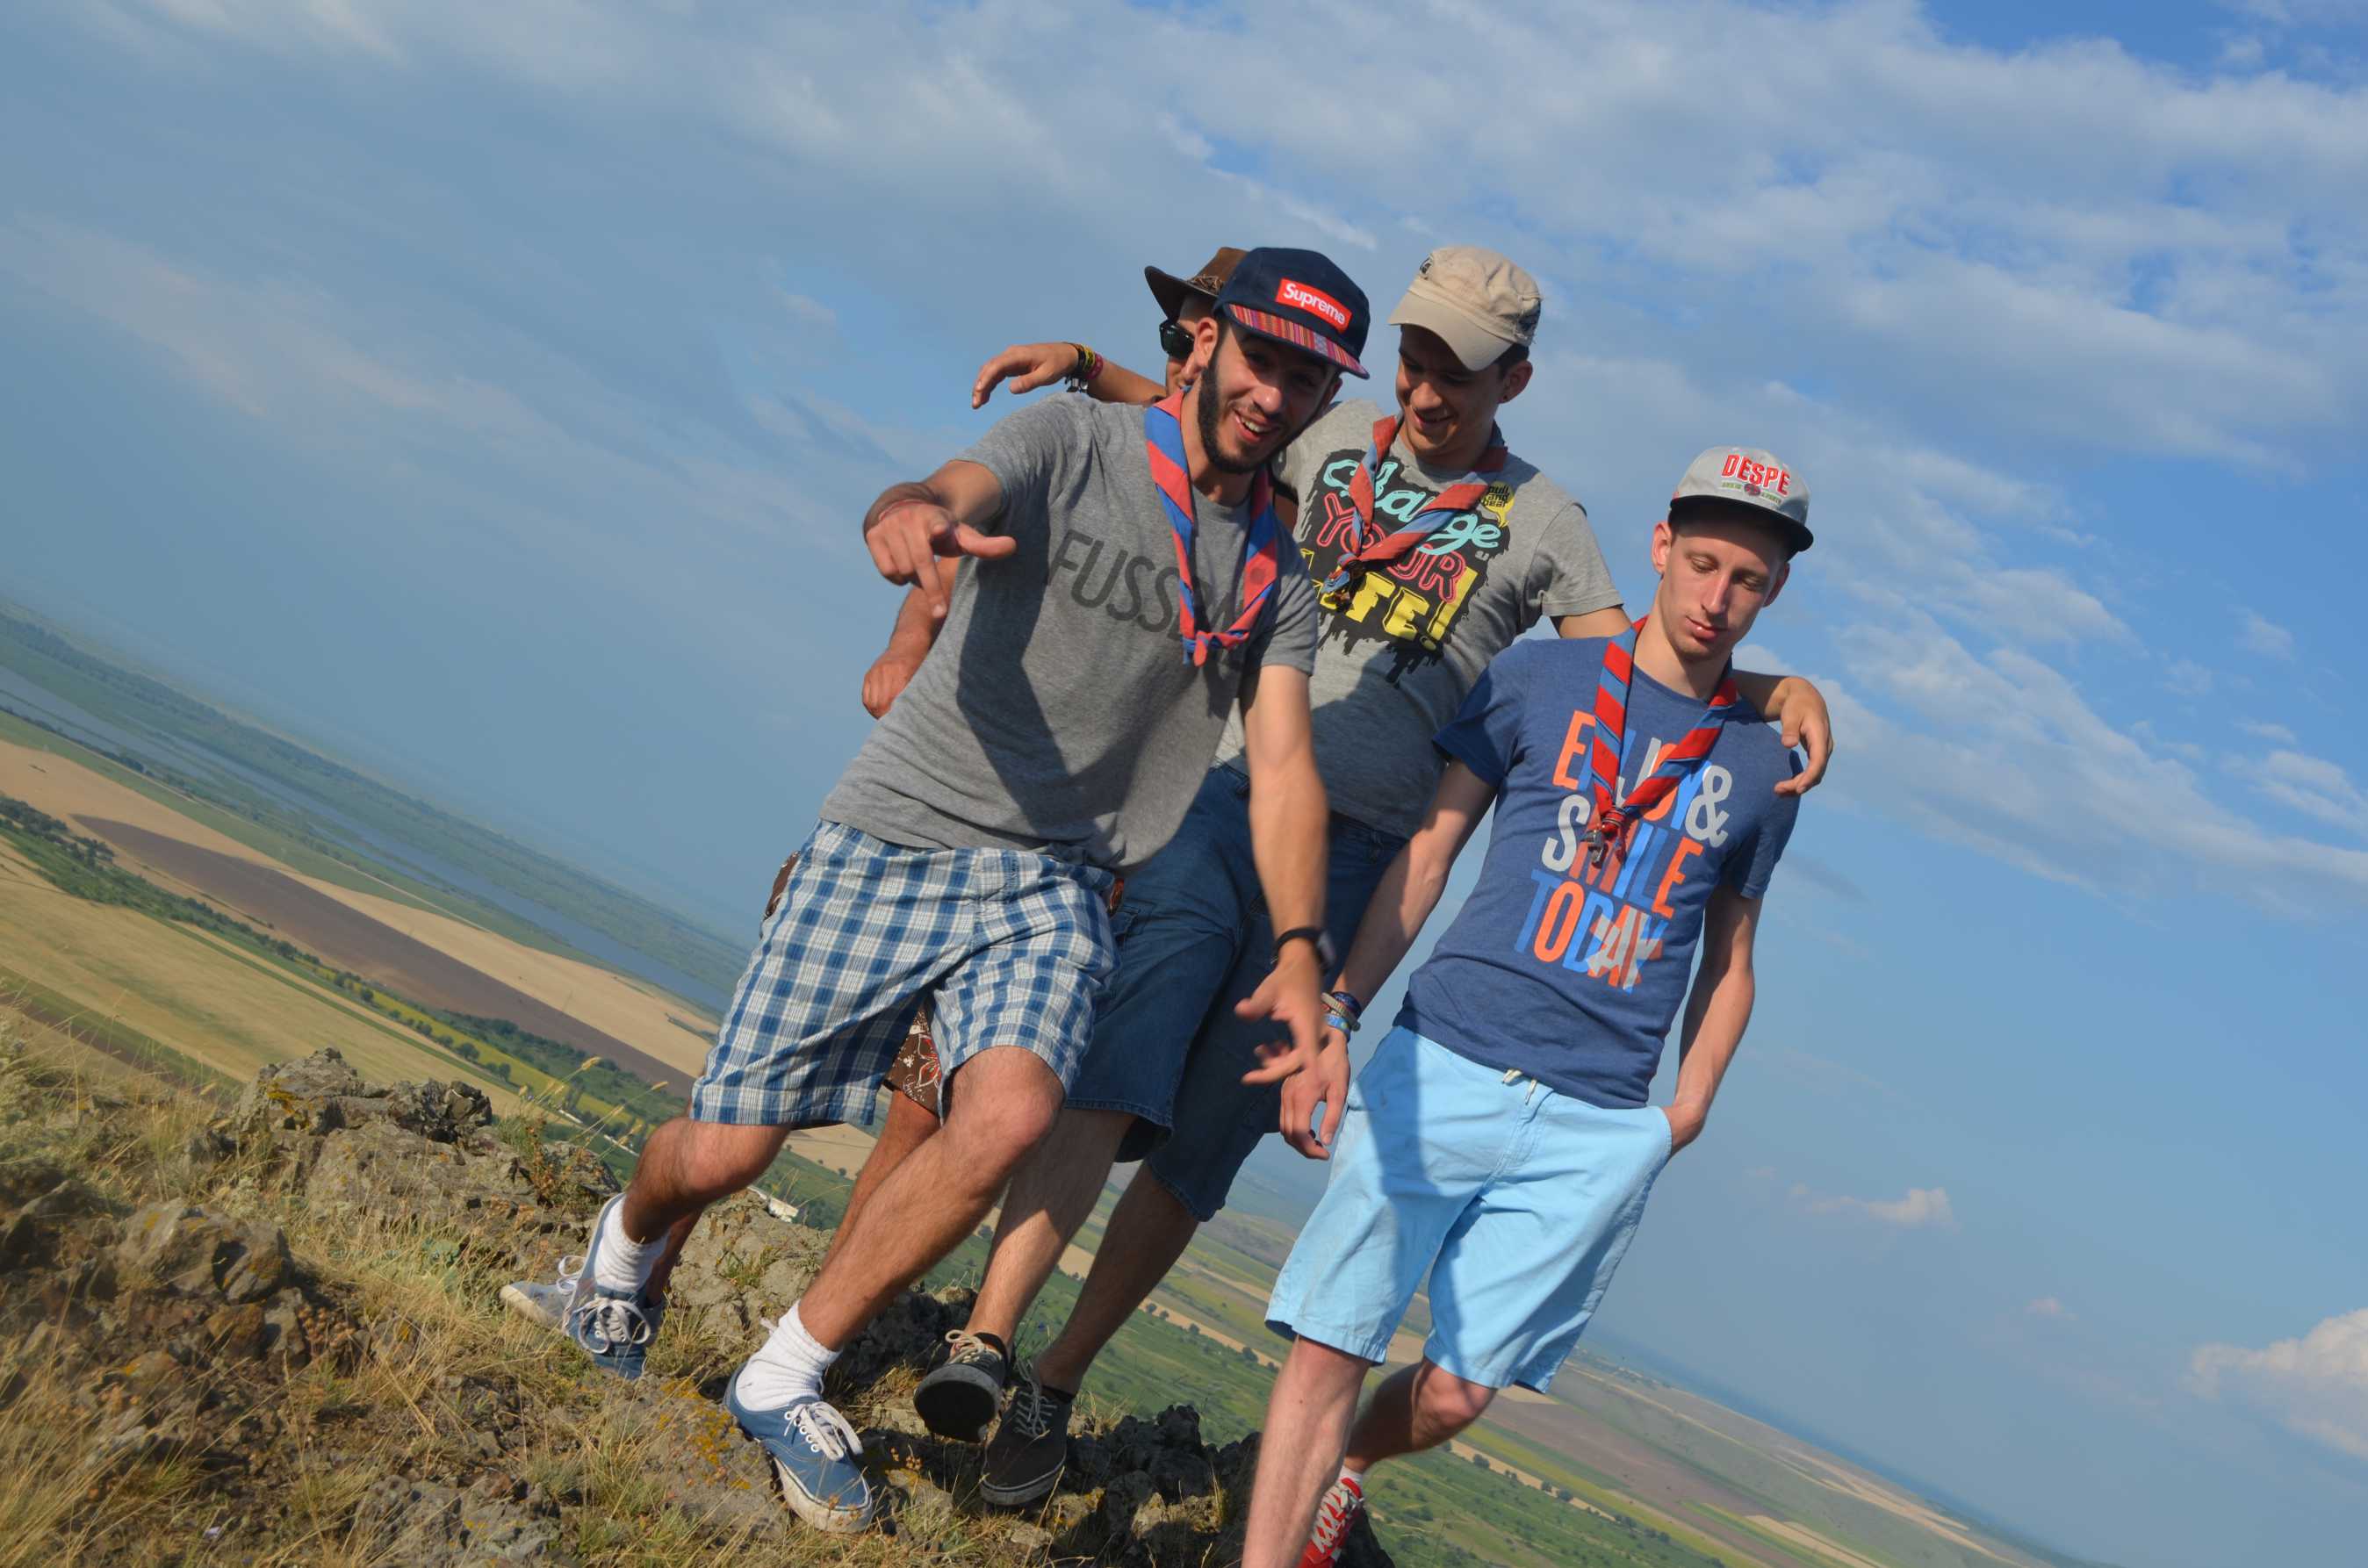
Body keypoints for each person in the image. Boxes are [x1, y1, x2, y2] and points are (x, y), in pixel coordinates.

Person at [910, 248, 1835, 1510]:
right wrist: (1085, 365)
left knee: (1206, 1140)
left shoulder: (1545, 522)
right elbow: (1205, 437)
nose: (1425, 389)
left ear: (1514, 379)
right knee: (1117, 1068)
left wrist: (1775, 686)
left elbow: (1640, 664)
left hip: (1358, 862)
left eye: (1457, 371)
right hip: (1221, 790)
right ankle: (987, 1335)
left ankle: (1053, 1385)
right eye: (1413, 358)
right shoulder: (1334, 432)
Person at [515, 247, 1369, 1536]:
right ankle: (619, 1254)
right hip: (903, 827)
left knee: (1011, 1113)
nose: (1275, 393)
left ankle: (783, 1374)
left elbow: (1288, 768)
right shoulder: (1073, 441)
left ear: (1323, 399)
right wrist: (906, 508)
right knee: (727, 1150)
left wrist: (1302, 948)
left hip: (1059, 878)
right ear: (1207, 342)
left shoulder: (1276, 578)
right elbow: (952, 486)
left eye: (1306, 379)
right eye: (1262, 357)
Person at [1242, 446, 1814, 1568]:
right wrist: (1341, 1013)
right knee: (1330, 1343)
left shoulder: (1765, 766)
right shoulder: (1537, 678)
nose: (1717, 597)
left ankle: (1345, 1470)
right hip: (1447, 1056)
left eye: (1748, 579)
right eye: (1703, 563)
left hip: (1598, 1115)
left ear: (1775, 590)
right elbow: (1429, 853)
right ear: (1661, 546)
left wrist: (1685, 1111)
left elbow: (1732, 958)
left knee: (1461, 1392)